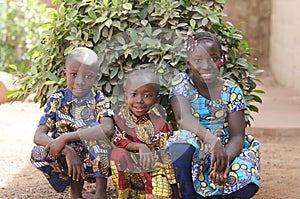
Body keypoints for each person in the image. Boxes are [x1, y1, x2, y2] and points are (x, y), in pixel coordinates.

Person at [167, 32, 260, 198]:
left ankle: (221, 191)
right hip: (196, 146)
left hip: (225, 152)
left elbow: (238, 137)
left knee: (247, 178)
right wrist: (212, 140)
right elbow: (183, 118)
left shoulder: (232, 90)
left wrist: (222, 161)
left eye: (213, 58)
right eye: (198, 60)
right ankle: (189, 194)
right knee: (181, 145)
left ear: (221, 60)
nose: (206, 66)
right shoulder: (182, 83)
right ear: (188, 63)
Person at [30, 47, 114, 199]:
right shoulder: (57, 99)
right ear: (65, 74)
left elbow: (108, 128)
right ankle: (75, 194)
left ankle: (101, 194)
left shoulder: (98, 99)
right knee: (38, 152)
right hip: (67, 157)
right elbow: (38, 136)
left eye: (87, 76)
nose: (80, 81)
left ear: (95, 78)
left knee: (99, 136)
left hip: (94, 158)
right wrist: (67, 150)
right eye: (74, 75)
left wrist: (65, 137)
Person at [110, 69, 181, 199]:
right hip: (131, 173)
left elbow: (167, 158)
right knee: (117, 155)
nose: (139, 100)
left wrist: (175, 191)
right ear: (126, 97)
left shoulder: (160, 124)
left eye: (147, 96)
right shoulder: (122, 117)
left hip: (154, 173)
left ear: (157, 100)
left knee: (161, 192)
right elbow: (116, 139)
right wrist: (138, 146)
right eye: (134, 94)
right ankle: (125, 195)